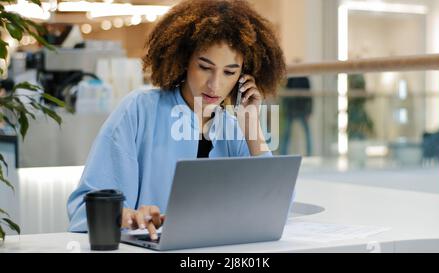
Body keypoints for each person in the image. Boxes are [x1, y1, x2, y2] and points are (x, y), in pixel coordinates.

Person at [67, 0, 286, 241]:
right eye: (205, 67)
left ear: (243, 76)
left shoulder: (235, 129)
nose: (215, 85)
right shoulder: (139, 110)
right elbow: (84, 209)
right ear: (184, 60)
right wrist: (128, 217)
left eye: (229, 72)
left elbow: (275, 209)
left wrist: (252, 127)